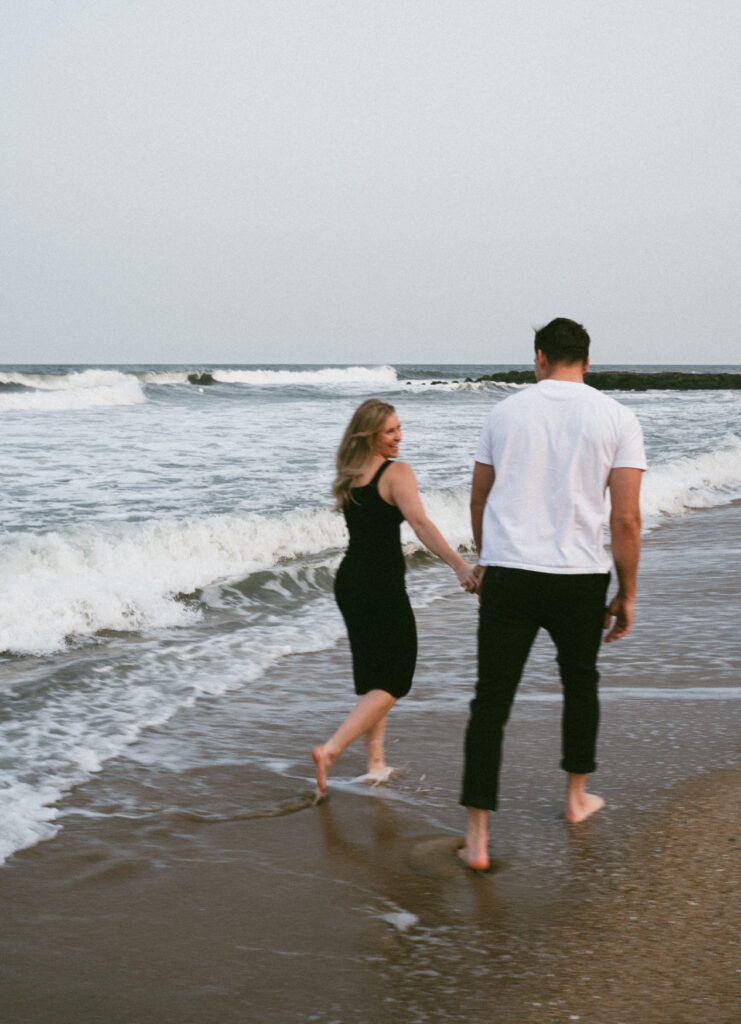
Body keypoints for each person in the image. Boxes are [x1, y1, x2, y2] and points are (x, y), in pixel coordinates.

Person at [459, 318, 646, 871]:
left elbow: (479, 498)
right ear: (587, 362)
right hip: (580, 578)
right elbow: (627, 519)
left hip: (510, 573)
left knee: (490, 702)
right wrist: (627, 591)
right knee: (580, 684)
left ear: (539, 358)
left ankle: (477, 838)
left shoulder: (503, 412)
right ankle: (575, 799)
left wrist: (487, 558)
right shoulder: (618, 417)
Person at [313, 398, 476, 794]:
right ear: (370, 435)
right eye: (390, 431)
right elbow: (420, 524)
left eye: (399, 428)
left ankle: (375, 763)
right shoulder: (396, 473)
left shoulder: (351, 475)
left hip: (350, 582)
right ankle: (331, 749)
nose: (399, 436)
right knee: (397, 677)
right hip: (380, 584)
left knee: (375, 675)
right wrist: (460, 566)